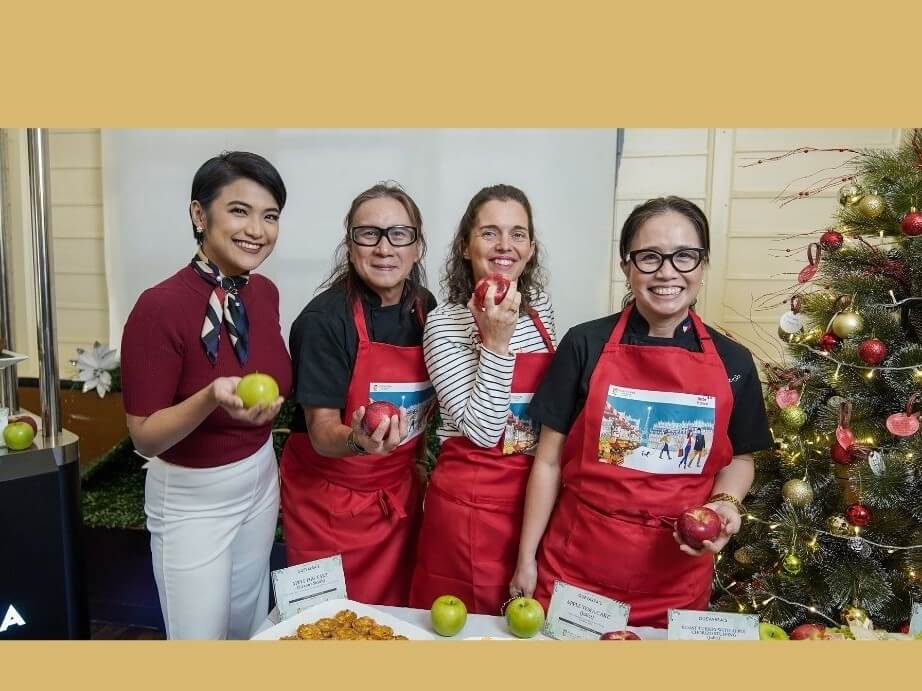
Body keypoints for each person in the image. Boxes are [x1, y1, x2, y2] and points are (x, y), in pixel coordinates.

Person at [509, 196, 772, 628]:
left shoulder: (734, 361)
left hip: (677, 580)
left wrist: (726, 503)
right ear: (626, 267)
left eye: (684, 256)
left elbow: (739, 457)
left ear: (703, 265)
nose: (667, 272)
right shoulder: (584, 344)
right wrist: (526, 558)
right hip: (576, 571)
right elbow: (549, 462)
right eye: (650, 257)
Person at [121, 152, 290, 639]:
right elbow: (145, 437)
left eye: (270, 216)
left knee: (246, 627)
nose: (257, 230)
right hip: (191, 497)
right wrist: (210, 396)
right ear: (200, 214)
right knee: (199, 643)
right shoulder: (159, 306)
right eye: (239, 210)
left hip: (259, 476)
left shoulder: (264, 293)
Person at [281, 182, 436, 606]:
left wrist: (419, 463)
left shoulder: (427, 310)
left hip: (397, 498)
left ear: (417, 247)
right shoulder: (323, 322)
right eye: (369, 234)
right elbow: (321, 430)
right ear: (350, 247)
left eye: (399, 234)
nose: (384, 248)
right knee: (327, 625)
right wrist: (358, 440)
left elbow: (426, 404)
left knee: (398, 618)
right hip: (328, 506)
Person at [409, 184, 556, 614]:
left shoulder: (540, 308)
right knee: (463, 627)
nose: (505, 245)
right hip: (470, 506)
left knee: (524, 627)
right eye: (489, 233)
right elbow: (482, 430)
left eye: (517, 234)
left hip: (536, 497)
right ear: (465, 246)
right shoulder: (444, 323)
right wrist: (496, 342)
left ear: (531, 248)